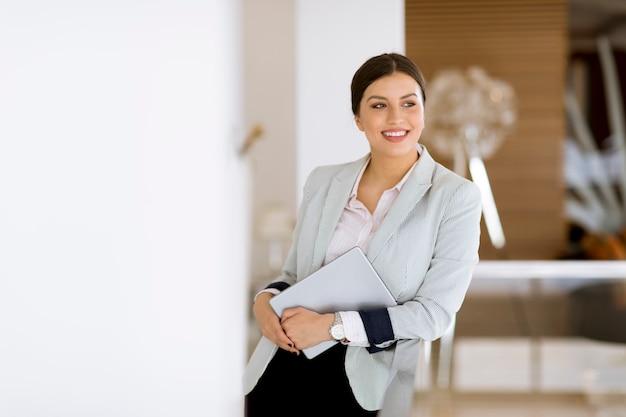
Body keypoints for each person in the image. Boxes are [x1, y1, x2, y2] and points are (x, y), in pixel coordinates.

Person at [243, 52, 482, 416]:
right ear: (358, 118)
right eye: (378, 105)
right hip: (280, 368)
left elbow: (433, 315)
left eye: (408, 103)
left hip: (362, 385)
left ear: (423, 111)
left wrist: (332, 327)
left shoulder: (454, 197)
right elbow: (292, 275)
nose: (396, 118)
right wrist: (263, 302)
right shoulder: (323, 181)